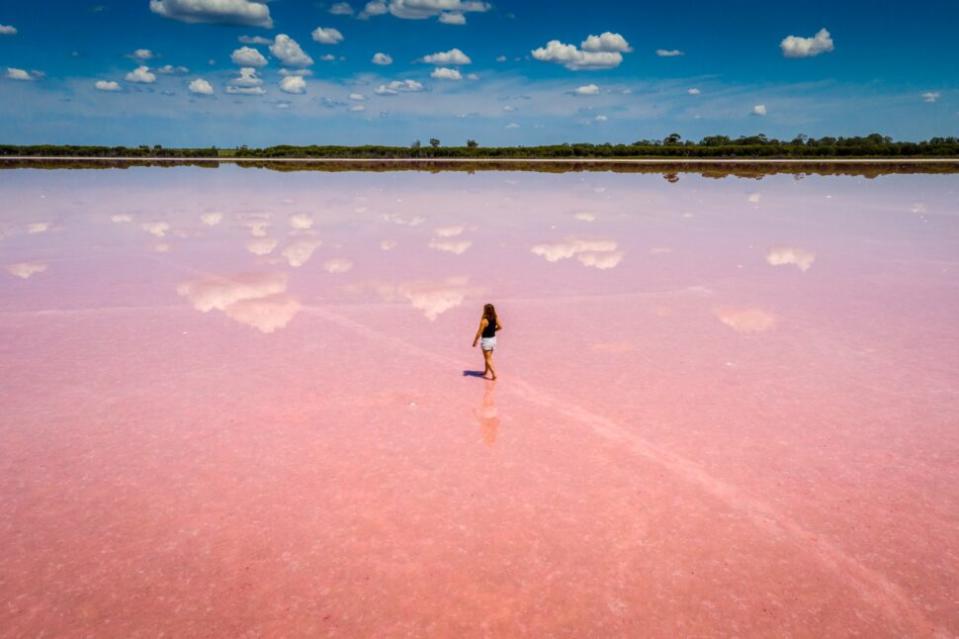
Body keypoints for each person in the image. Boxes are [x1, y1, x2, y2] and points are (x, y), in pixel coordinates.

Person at [472, 303, 502, 380]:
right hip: (493, 340)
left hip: (486, 341)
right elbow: (500, 327)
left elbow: (479, 332)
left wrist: (475, 341)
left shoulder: (484, 321)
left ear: (485, 311)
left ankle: (494, 374)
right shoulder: (495, 317)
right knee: (488, 357)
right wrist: (493, 330)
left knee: (488, 359)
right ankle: (486, 371)